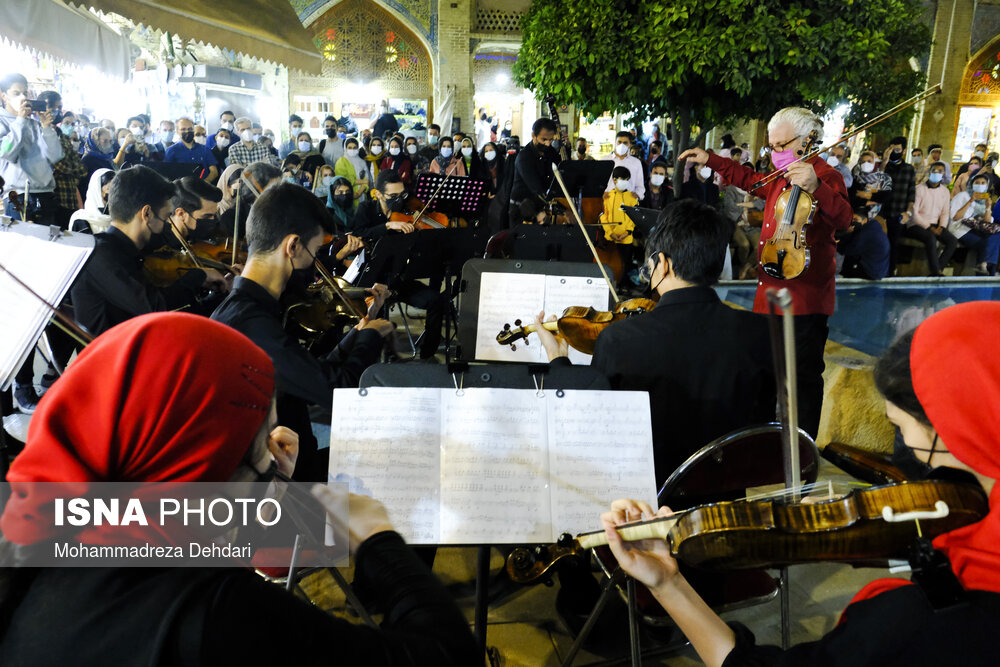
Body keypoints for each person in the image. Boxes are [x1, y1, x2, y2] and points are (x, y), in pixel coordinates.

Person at [0, 311, 480, 667]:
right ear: (201, 468)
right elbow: (446, 657)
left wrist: (268, 486)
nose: (275, 454)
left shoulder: (50, 519)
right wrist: (378, 540)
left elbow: (248, 556)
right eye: (260, 448)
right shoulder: (214, 616)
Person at [601, 300, 1000, 667]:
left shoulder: (914, 626)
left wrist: (668, 583)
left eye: (897, 429)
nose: (901, 452)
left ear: (964, 432)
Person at [536, 198, 773, 486]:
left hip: (646, 503)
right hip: (725, 506)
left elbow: (592, 429)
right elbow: (759, 429)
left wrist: (558, 360)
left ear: (662, 264)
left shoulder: (619, 339)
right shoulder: (761, 333)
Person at [681, 106, 852, 439]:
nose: (774, 153)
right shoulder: (784, 173)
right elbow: (751, 180)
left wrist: (817, 186)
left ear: (804, 141)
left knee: (802, 380)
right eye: (771, 146)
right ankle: (759, 446)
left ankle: (802, 456)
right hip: (768, 295)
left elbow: (844, 219)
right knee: (763, 375)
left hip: (804, 301)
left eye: (780, 145)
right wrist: (711, 159)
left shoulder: (825, 176)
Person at [212, 183, 392, 480]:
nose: (317, 264)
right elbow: (339, 392)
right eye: (316, 251)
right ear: (292, 246)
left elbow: (309, 376)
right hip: (279, 482)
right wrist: (371, 336)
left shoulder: (258, 311)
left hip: (296, 458)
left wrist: (358, 333)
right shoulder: (251, 325)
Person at [70, 166, 228, 335]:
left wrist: (218, 298)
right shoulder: (101, 256)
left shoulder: (124, 251)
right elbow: (156, 308)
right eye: (167, 217)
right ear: (147, 214)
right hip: (116, 356)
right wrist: (198, 276)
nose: (168, 225)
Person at [351, 170, 449, 360]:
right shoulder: (366, 209)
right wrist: (387, 226)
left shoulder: (407, 210)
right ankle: (377, 356)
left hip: (399, 279)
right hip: (373, 280)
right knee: (377, 308)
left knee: (436, 301)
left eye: (402, 194)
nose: (400, 200)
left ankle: (427, 356)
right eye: (393, 196)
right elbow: (358, 233)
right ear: (378, 193)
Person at [0, 72, 63, 225]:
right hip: (17, 195)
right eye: (16, 93)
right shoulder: (2, 122)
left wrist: (47, 128)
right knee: (23, 245)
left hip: (45, 194)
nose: (22, 97)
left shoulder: (35, 124)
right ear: (4, 96)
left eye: (25, 92)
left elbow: (55, 156)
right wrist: (20, 121)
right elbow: (6, 151)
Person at [35, 91, 85, 228]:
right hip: (56, 196)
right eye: (53, 108)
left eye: (59, 108)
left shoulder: (59, 133)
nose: (57, 112)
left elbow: (79, 166)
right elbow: (59, 164)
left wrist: (72, 166)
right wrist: (72, 167)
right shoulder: (39, 133)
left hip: (70, 195)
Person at [840, 151, 891, 280]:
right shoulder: (855, 176)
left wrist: (868, 196)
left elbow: (885, 197)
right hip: (857, 213)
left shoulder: (883, 178)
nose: (865, 164)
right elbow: (852, 196)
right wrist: (871, 200)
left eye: (869, 161)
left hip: (872, 217)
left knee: (858, 245)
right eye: (862, 161)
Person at [908, 161, 959, 276]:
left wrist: (941, 226)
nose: (936, 173)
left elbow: (945, 212)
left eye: (940, 171)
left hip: (936, 224)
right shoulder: (919, 189)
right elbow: (914, 213)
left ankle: (938, 269)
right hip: (917, 224)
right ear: (929, 172)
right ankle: (936, 271)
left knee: (952, 241)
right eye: (934, 170)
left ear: (944, 173)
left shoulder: (945, 191)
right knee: (931, 238)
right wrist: (929, 227)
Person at [509, 117, 560, 227]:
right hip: (521, 208)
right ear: (533, 136)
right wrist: (563, 210)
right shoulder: (524, 157)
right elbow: (536, 188)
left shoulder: (550, 152)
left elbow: (558, 174)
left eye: (551, 140)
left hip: (541, 206)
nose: (547, 144)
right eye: (544, 139)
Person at [950, 173, 1000, 275]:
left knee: (996, 236)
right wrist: (970, 201)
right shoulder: (963, 196)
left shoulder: (985, 200)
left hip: (977, 230)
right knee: (988, 243)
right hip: (960, 228)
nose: (980, 185)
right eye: (977, 183)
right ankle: (988, 272)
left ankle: (984, 265)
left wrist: (988, 207)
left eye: (983, 183)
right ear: (972, 184)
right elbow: (955, 217)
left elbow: (988, 223)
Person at [219, 161, 282, 241]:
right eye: (272, 190)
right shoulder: (232, 219)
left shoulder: (280, 211)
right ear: (253, 191)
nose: (278, 194)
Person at [881, 136, 917, 276]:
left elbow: (911, 193)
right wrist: (884, 160)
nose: (894, 152)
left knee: (894, 244)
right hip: (881, 213)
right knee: (881, 243)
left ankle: (890, 273)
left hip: (898, 213)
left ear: (903, 150)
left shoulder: (908, 169)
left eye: (897, 149)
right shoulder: (884, 167)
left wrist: (908, 212)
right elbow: (877, 179)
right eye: (892, 149)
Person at [164, 117, 219, 182]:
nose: (187, 131)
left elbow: (214, 172)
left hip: (203, 189)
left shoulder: (205, 150)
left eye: (190, 129)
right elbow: (167, 173)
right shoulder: (171, 151)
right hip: (180, 189)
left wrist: (204, 184)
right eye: (183, 129)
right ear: (177, 131)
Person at [600, 165, 639, 245]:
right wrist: (610, 233)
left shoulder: (632, 197)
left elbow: (634, 216)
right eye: (623, 179)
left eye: (627, 179)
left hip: (627, 240)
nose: (626, 182)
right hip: (609, 239)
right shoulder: (607, 196)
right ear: (614, 180)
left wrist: (628, 232)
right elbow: (603, 216)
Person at [68, 168, 114, 234]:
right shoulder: (81, 220)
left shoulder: (119, 219)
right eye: (109, 188)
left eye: (116, 188)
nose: (114, 193)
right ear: (97, 190)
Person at [605, 131, 645, 200]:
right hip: (608, 203)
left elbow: (640, 187)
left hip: (628, 203)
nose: (622, 145)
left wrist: (636, 196)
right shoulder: (605, 160)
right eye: (619, 142)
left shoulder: (636, 163)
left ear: (630, 145)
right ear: (615, 143)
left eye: (625, 143)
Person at [335, 137, 373, 206]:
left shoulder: (362, 161)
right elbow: (343, 180)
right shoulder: (341, 161)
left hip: (362, 196)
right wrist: (362, 182)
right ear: (345, 148)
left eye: (355, 147)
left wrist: (359, 192)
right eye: (349, 148)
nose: (352, 150)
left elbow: (367, 179)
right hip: (348, 196)